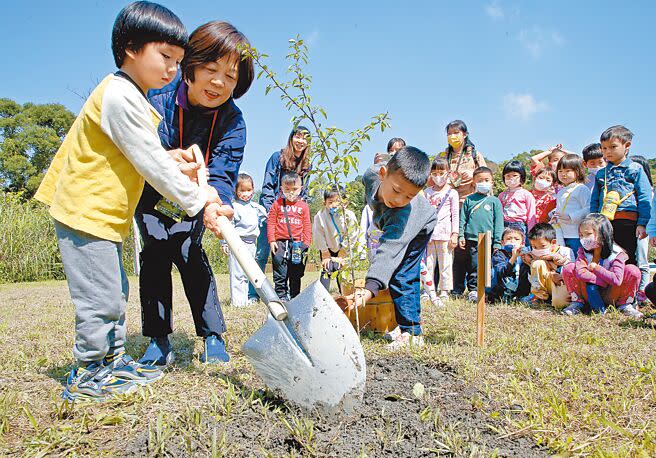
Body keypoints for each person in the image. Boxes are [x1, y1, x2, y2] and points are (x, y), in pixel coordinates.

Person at [34, 2, 221, 401]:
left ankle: (113, 363)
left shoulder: (132, 97)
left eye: (178, 60)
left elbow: (141, 154)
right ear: (132, 47)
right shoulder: (120, 95)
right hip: (85, 211)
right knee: (99, 298)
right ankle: (88, 373)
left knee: (114, 291)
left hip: (101, 216)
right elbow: (150, 163)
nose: (173, 69)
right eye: (166, 57)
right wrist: (200, 198)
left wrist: (175, 159)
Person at [135, 20, 253, 367]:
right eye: (211, 69)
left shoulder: (233, 121)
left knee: (190, 251)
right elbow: (139, 152)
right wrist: (168, 164)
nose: (219, 82)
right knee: (154, 254)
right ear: (191, 65)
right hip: (151, 194)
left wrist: (216, 204)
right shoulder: (156, 96)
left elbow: (223, 172)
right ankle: (159, 340)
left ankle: (213, 336)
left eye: (231, 76)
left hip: (199, 200)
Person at [347, 147, 437, 349]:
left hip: (420, 225)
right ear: (383, 174)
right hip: (402, 216)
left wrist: (370, 287)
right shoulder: (371, 175)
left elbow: (389, 251)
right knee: (397, 273)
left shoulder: (401, 214)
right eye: (396, 190)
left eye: (409, 197)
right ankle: (401, 324)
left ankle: (412, 332)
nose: (399, 200)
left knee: (403, 275)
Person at [250, 126, 312, 302]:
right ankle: (254, 294)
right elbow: (268, 186)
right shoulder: (277, 157)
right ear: (291, 138)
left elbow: (305, 191)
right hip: (275, 212)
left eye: (305, 138)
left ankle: (293, 296)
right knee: (263, 253)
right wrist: (272, 212)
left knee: (294, 261)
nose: (300, 141)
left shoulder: (307, 165)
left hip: (294, 219)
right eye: (297, 136)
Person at [437, 120, 487, 297]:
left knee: (471, 245)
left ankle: (473, 287)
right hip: (450, 204)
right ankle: (455, 286)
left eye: (456, 133)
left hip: (471, 203)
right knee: (455, 247)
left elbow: (485, 176)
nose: (453, 136)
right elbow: (436, 174)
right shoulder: (444, 155)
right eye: (450, 133)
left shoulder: (475, 155)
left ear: (465, 134)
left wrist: (472, 175)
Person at [590, 125, 652, 265]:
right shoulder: (601, 173)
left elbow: (644, 198)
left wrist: (642, 223)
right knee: (607, 256)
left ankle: (629, 286)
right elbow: (594, 200)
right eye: (604, 148)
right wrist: (593, 222)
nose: (608, 152)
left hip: (628, 221)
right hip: (605, 222)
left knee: (628, 255)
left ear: (627, 145)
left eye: (613, 147)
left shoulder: (635, 169)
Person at [562, 214, 642, 317]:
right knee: (569, 268)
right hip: (589, 293)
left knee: (632, 270)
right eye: (581, 235)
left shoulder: (617, 253)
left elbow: (616, 280)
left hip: (612, 294)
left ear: (602, 235)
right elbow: (581, 273)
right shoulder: (582, 252)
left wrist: (596, 268)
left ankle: (625, 305)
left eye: (588, 234)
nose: (583, 239)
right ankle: (577, 303)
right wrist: (604, 281)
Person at [457, 166, 504, 301]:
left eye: (486, 180)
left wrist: (497, 242)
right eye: (480, 180)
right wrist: (461, 235)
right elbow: (463, 219)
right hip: (471, 238)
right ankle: (473, 290)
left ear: (492, 182)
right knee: (473, 265)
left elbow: (499, 223)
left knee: (486, 266)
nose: (483, 182)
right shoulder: (469, 200)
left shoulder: (495, 201)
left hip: (488, 240)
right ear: (474, 182)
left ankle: (485, 289)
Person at [222, 173, 266, 307]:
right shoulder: (234, 207)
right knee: (237, 273)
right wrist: (224, 242)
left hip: (252, 244)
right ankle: (238, 302)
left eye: (249, 190)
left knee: (249, 272)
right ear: (236, 191)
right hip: (237, 243)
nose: (246, 194)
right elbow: (227, 226)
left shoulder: (256, 208)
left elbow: (266, 217)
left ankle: (247, 298)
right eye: (242, 190)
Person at [267, 172, 312, 300]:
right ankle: (281, 296)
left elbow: (307, 225)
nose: (291, 192)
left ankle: (295, 297)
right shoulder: (277, 204)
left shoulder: (303, 206)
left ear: (301, 189)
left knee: (296, 272)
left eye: (294, 189)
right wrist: (272, 240)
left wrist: (306, 243)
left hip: (298, 244)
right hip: (280, 243)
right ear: (281, 189)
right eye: (287, 189)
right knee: (280, 271)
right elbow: (271, 222)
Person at [422, 157, 459, 306]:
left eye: (441, 172)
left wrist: (455, 234)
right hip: (429, 235)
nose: (438, 176)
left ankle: (444, 291)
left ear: (448, 173)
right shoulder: (426, 192)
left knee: (445, 264)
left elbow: (455, 214)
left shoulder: (452, 193)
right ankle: (427, 290)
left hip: (445, 234)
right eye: (435, 173)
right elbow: (423, 214)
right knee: (428, 264)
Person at [313, 186, 360, 293]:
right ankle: (322, 295)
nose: (334, 205)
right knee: (327, 268)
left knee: (341, 269)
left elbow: (352, 234)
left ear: (345, 203)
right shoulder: (320, 216)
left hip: (344, 248)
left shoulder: (349, 216)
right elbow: (318, 234)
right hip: (327, 248)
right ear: (324, 203)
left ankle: (345, 295)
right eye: (330, 202)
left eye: (337, 202)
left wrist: (343, 252)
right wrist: (325, 253)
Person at [521, 223, 573, 307]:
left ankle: (550, 299)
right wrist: (530, 261)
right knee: (537, 263)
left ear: (553, 242)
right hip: (545, 283)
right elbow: (534, 275)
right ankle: (539, 296)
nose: (538, 249)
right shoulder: (531, 253)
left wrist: (558, 263)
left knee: (560, 304)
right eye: (534, 246)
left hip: (560, 284)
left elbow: (571, 270)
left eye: (543, 246)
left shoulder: (566, 251)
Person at [551, 154, 591, 254]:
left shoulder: (581, 189)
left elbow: (589, 208)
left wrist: (571, 216)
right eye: (560, 171)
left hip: (576, 234)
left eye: (568, 171)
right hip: (561, 233)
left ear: (578, 171)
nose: (563, 174)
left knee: (576, 258)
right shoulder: (561, 192)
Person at [630, 155, 654, 299]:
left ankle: (642, 291)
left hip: (643, 229)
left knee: (642, 260)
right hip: (630, 227)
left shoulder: (649, 191)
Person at [486, 228, 530, 303]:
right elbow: (502, 272)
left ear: (522, 243)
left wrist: (528, 261)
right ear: (502, 242)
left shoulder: (525, 254)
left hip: (518, 289)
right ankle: (494, 296)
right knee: (493, 271)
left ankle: (520, 296)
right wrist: (513, 258)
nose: (512, 241)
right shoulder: (499, 254)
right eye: (509, 239)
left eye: (516, 239)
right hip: (501, 289)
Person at [498, 160, 536, 239]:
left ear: (521, 177)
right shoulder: (502, 195)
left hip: (519, 225)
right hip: (504, 225)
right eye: (508, 176)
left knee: (521, 249)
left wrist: (531, 232)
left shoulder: (526, 194)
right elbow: (499, 214)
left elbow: (531, 215)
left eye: (514, 175)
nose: (511, 178)